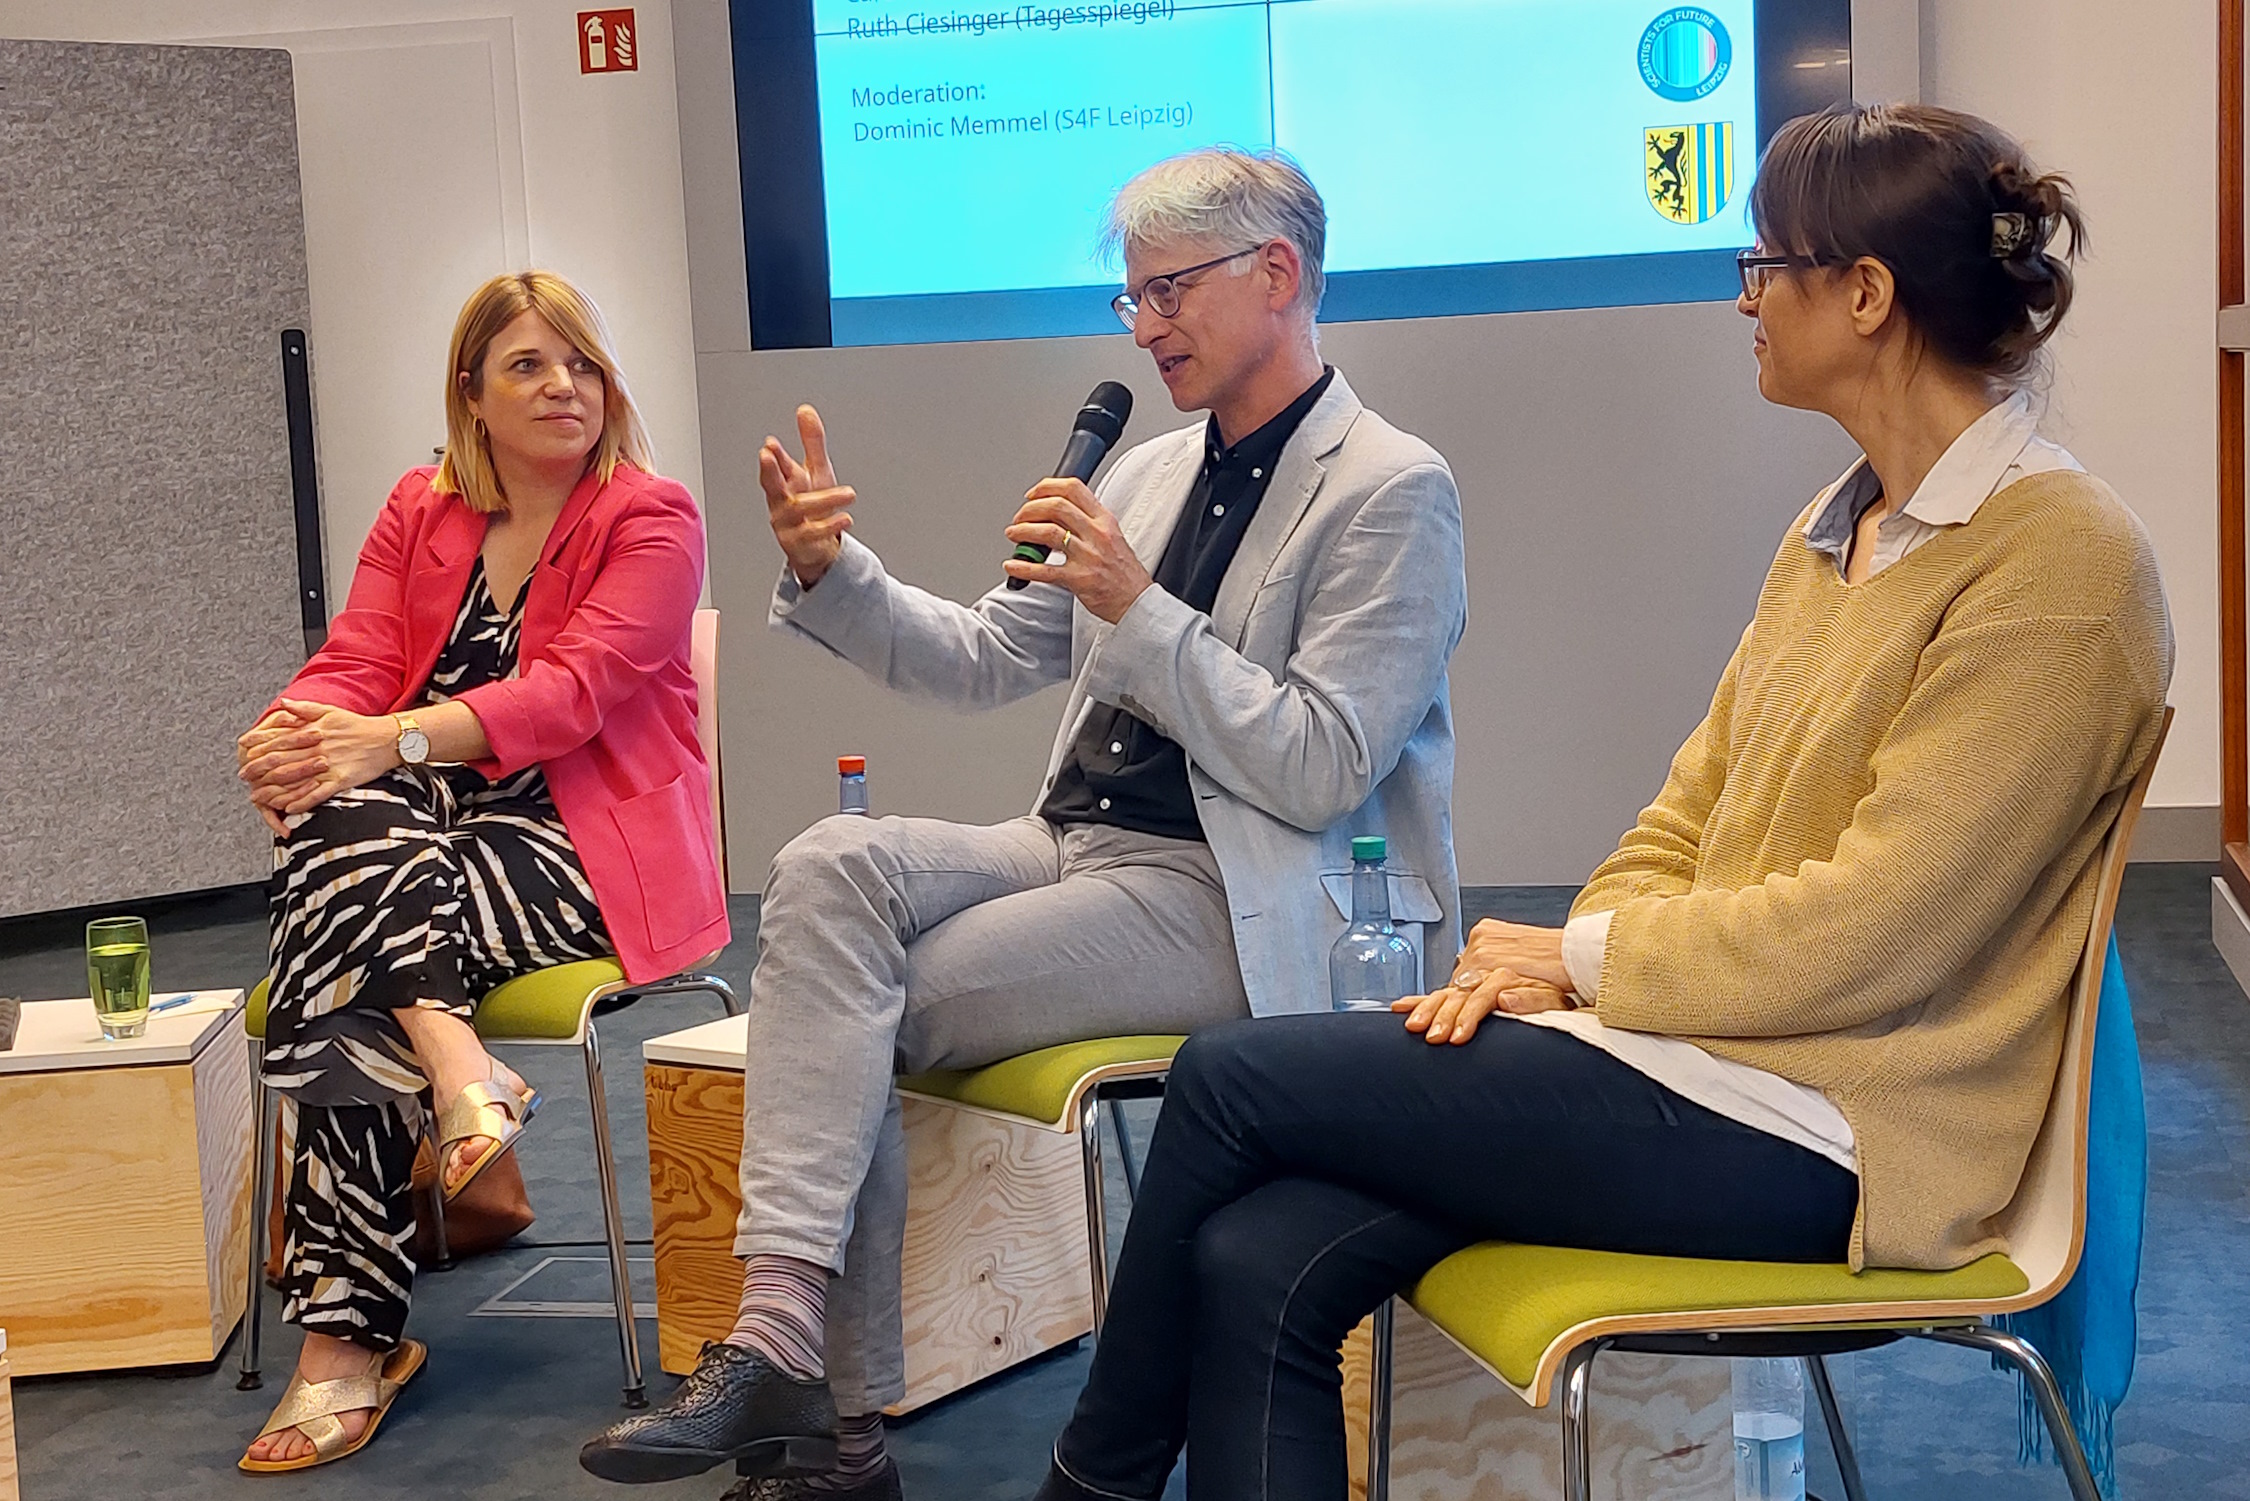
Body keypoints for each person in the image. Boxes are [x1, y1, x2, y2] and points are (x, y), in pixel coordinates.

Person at [1026, 103, 2175, 1501]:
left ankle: (1085, 1486)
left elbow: (1886, 928)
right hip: (1697, 1059)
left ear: (1864, 295)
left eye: (1765, 267)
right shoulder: (1836, 526)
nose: (1741, 300)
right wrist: (1577, 977)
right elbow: (1681, 815)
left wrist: (1579, 959)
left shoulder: (2060, 559)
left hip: (1846, 1131)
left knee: (1228, 1077)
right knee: (1256, 1249)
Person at [579, 149, 1468, 1500]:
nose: (1144, 325)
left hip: (1236, 893)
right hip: (1070, 844)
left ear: (1277, 274)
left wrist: (1141, 609)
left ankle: (832, 1424)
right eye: (1130, 299)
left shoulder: (1393, 487)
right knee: (829, 866)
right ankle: (783, 1355)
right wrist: (835, 572)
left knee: (852, 1002)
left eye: (1168, 290)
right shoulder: (1152, 474)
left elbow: (1319, 762)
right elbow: (987, 655)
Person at [232, 271, 727, 1472]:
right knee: (357, 840)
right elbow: (356, 657)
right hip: (419, 834)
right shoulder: (424, 507)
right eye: (528, 365)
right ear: (473, 392)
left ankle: (348, 1343)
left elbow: (572, 697)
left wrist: (384, 740)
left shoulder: (651, 517)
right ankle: (459, 1067)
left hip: (587, 843)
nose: (565, 387)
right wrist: (292, 729)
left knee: (335, 923)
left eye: (582, 364)